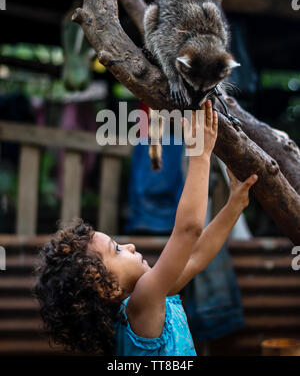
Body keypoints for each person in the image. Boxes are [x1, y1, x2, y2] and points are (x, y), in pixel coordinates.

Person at [35, 100, 258, 356]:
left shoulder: (148, 299)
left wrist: (234, 205)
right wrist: (200, 154)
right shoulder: (144, 301)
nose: (129, 246)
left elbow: (196, 257)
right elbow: (188, 231)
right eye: (117, 250)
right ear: (107, 288)